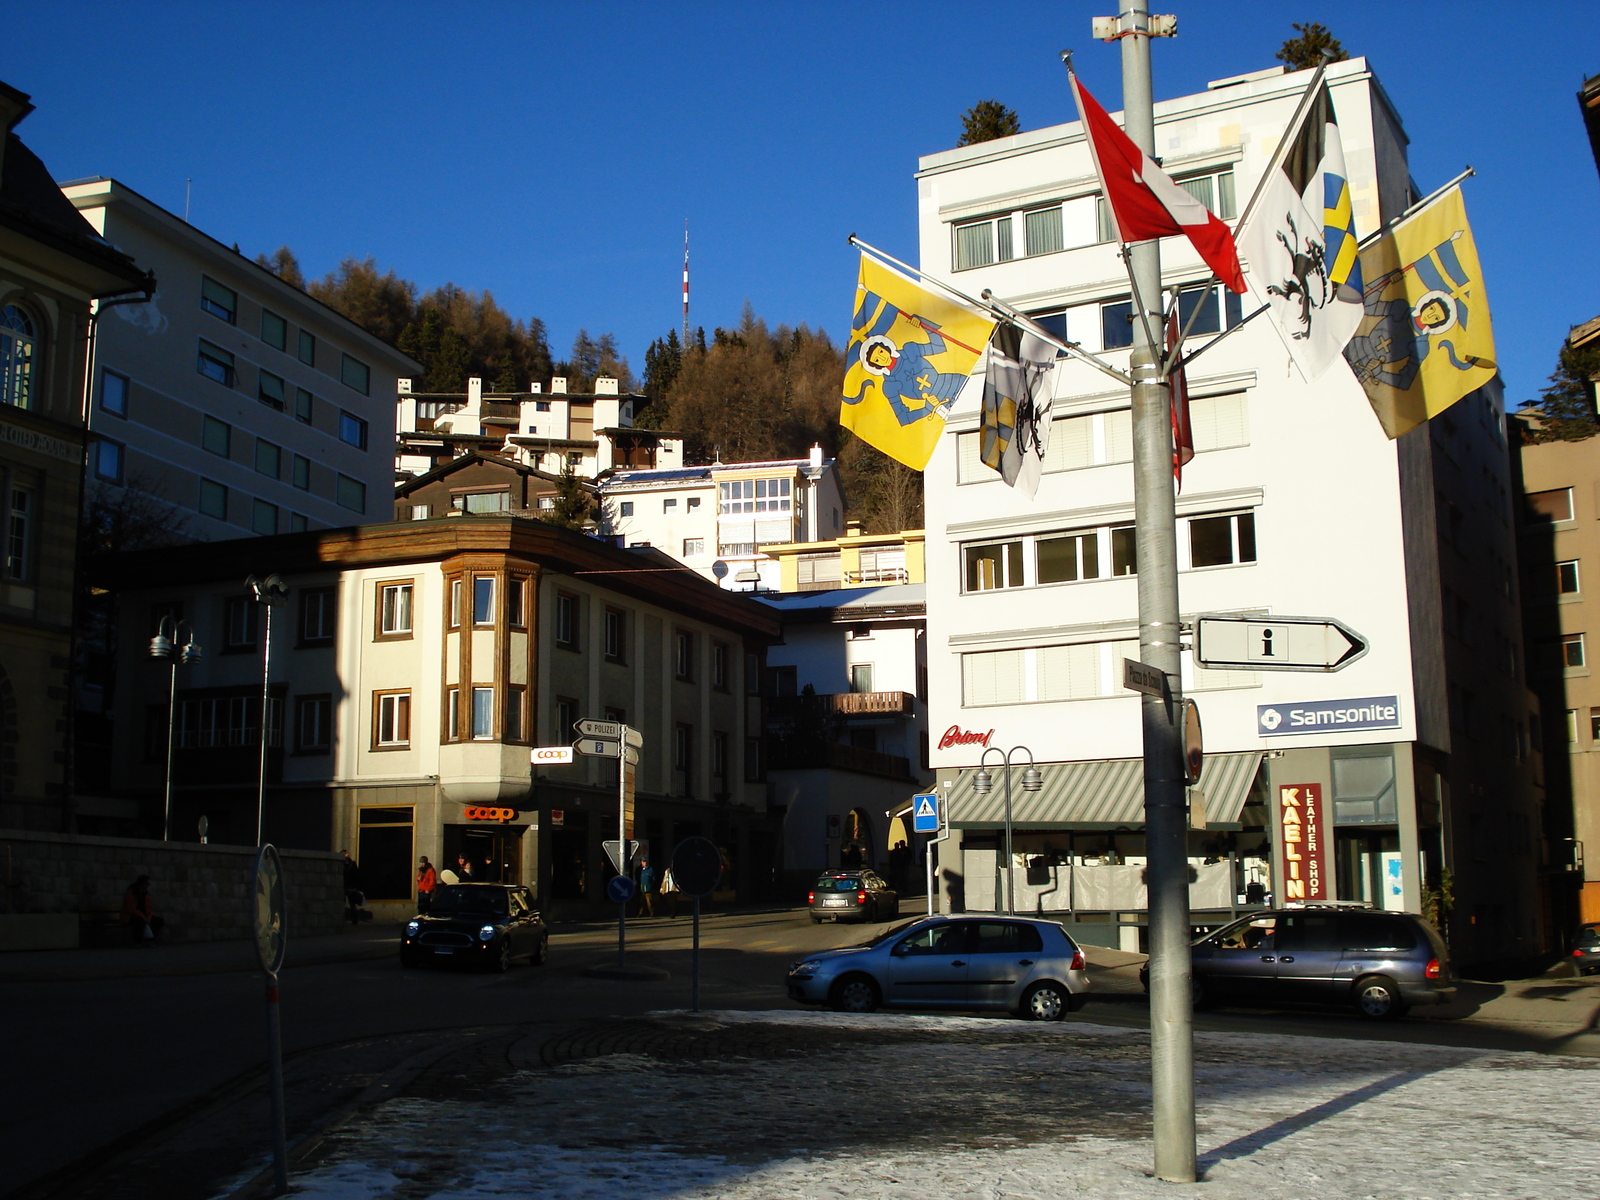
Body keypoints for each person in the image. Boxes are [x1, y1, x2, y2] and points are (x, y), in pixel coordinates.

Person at [122, 875, 164, 944]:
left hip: (143, 916)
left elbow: (148, 908)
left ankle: (150, 940)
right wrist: (143, 917)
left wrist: (149, 917)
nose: (147, 886)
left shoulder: (145, 894)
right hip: (130, 916)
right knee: (140, 921)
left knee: (158, 921)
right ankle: (137, 941)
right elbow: (130, 908)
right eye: (147, 884)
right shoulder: (131, 892)